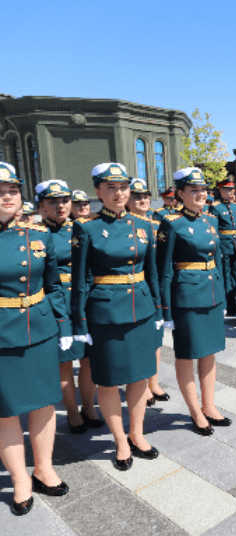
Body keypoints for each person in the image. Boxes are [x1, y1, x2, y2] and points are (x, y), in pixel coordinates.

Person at [71, 162, 162, 471]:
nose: (119, 193)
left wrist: (160, 311)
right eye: (111, 188)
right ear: (98, 191)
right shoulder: (86, 228)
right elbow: (81, 280)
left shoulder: (145, 225)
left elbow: (152, 273)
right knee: (109, 381)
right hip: (106, 313)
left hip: (141, 310)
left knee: (139, 376)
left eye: (123, 187)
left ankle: (136, 433)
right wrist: (79, 322)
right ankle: (120, 440)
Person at [0, 162, 72, 516]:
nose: (6, 197)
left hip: (41, 329)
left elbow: (54, 286)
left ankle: (43, 467)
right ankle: (19, 479)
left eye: (11, 190)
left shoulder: (39, 235)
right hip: (1, 334)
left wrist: (63, 327)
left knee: (45, 402)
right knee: (6, 411)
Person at [156, 168, 231, 436]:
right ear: (180, 194)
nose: (201, 194)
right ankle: (195, 411)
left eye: (203, 190)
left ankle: (209, 405)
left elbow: (218, 263)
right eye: (194, 190)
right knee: (187, 355)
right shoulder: (171, 224)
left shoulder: (211, 221)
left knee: (209, 352)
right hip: (186, 298)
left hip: (210, 295)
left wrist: (222, 298)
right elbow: (163, 269)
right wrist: (165, 310)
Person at [36, 180, 103, 435]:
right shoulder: (36, 234)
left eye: (64, 201)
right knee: (64, 362)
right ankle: (72, 413)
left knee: (88, 360)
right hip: (55, 303)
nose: (60, 206)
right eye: (52, 202)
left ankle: (89, 407)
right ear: (42, 206)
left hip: (84, 300)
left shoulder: (81, 229)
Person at [126, 178, 169, 406]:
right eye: (137, 196)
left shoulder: (157, 223)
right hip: (133, 288)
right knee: (138, 341)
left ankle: (153, 382)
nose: (143, 200)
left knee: (156, 339)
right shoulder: (125, 224)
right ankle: (140, 386)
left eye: (145, 196)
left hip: (156, 285)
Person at [208, 176, 236, 315]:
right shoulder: (215, 207)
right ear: (221, 190)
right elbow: (214, 230)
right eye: (228, 190)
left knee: (235, 275)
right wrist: (217, 248)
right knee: (225, 275)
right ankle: (226, 303)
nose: (231, 193)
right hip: (224, 245)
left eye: (232, 190)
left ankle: (234, 301)